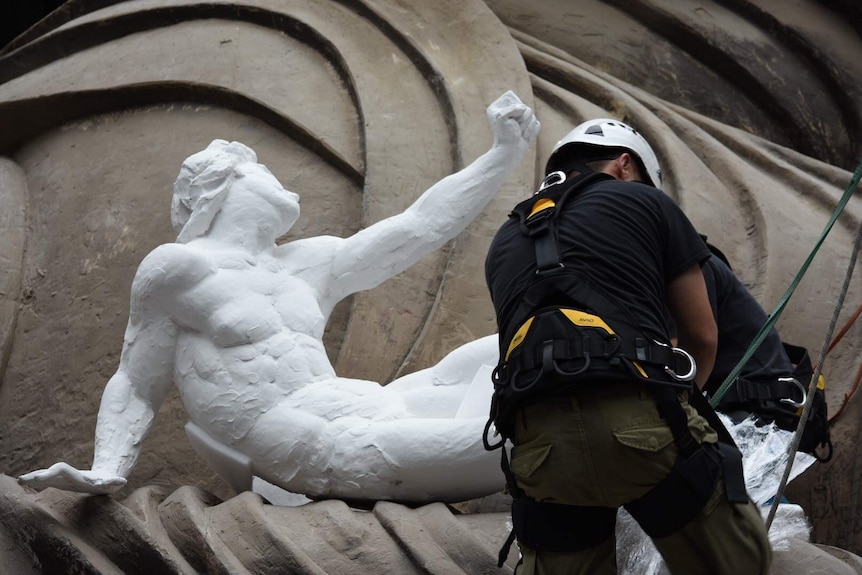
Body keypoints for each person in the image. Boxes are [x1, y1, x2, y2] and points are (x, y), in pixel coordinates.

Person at [18, 90, 540, 504]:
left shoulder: (307, 264)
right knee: (509, 441)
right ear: (222, 188)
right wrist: (107, 468)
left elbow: (421, 226)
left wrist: (502, 154)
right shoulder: (180, 268)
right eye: (262, 172)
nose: (282, 182)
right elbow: (136, 379)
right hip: (301, 441)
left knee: (521, 346)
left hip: (365, 405)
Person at [484, 119, 772, 574]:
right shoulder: (644, 201)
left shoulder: (503, 241)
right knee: (740, 560)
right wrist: (681, 410)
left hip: (539, 453)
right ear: (624, 165)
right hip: (643, 426)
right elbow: (702, 335)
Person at [696, 245, 832, 459]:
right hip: (745, 407)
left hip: (764, 416)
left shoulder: (696, 269)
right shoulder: (693, 262)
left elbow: (699, 344)